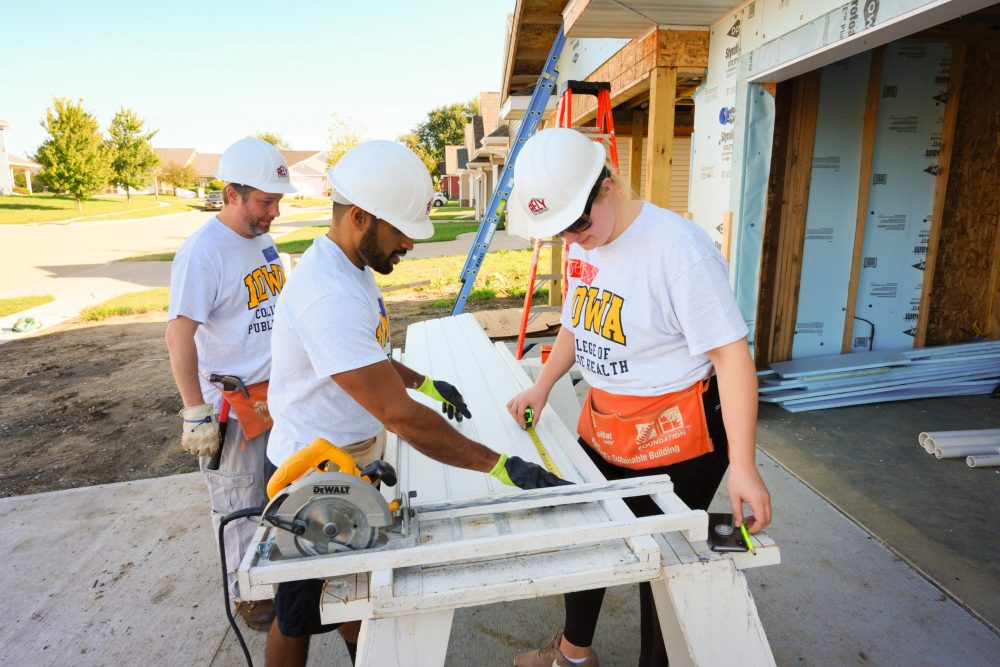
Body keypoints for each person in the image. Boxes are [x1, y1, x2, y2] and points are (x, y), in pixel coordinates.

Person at [265, 139, 568, 666]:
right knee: (297, 614)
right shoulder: (328, 296)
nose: (409, 244)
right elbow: (399, 416)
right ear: (360, 217)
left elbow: (371, 359)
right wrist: (498, 465)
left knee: (354, 593)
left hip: (348, 460)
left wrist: (427, 383)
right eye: (401, 230)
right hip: (310, 475)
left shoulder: (349, 269)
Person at [504, 128, 773, 667]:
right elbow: (580, 324)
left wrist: (743, 464)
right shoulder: (586, 243)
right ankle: (574, 654)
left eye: (577, 225)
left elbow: (732, 359)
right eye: (559, 233)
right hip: (608, 421)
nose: (572, 241)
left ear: (606, 186)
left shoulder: (677, 250)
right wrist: (543, 382)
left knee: (663, 560)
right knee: (591, 540)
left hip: (681, 430)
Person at [165, 137, 297, 631]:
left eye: (278, 201)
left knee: (277, 489)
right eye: (265, 202)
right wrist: (194, 410)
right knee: (239, 500)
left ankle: (280, 573)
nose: (274, 212)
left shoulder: (261, 240)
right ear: (232, 194)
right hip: (232, 404)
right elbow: (179, 332)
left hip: (274, 394)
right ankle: (249, 596)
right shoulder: (203, 253)